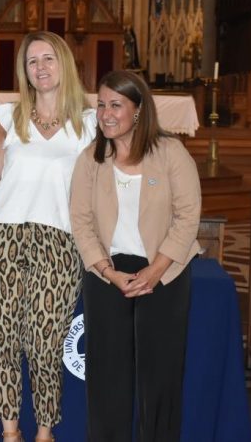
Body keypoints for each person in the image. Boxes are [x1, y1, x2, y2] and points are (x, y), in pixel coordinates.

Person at [0, 30, 97, 442]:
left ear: (64, 64)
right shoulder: (9, 117)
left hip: (59, 241)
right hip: (1, 237)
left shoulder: (89, 123)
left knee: (44, 344)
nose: (40, 67)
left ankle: (43, 433)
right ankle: (10, 433)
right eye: (32, 61)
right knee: (2, 341)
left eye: (48, 58)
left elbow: (102, 190)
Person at [69, 70, 201, 442]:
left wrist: (156, 270)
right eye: (101, 105)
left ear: (138, 110)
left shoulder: (170, 152)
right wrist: (107, 271)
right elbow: (80, 221)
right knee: (107, 376)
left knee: (160, 376)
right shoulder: (90, 159)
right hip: (107, 274)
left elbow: (188, 215)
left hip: (165, 271)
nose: (106, 114)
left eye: (116, 105)